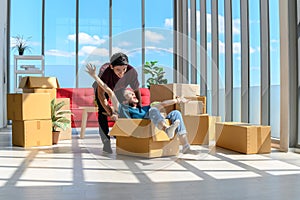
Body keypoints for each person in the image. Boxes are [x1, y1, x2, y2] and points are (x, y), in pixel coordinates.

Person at [86, 64, 199, 155]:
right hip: (139, 127)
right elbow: (109, 92)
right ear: (124, 101)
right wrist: (95, 76)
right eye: (130, 95)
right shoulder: (123, 109)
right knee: (153, 110)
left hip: (152, 120)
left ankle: (186, 146)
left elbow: (163, 104)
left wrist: (179, 101)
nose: (134, 95)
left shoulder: (145, 107)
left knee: (175, 113)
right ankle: (166, 129)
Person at [91, 52, 141, 154]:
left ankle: (120, 134)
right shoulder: (105, 72)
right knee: (102, 112)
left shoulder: (131, 72)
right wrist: (110, 112)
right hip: (102, 89)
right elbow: (101, 95)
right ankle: (106, 143)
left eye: (124, 69)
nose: (121, 73)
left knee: (124, 108)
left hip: (119, 88)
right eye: (118, 70)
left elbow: (136, 89)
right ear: (111, 66)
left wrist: (139, 105)